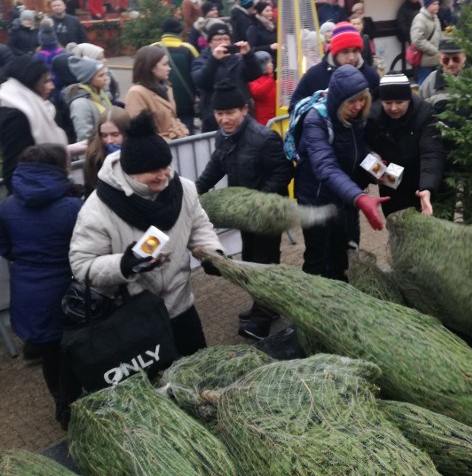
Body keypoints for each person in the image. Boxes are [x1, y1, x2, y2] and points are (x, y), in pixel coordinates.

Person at [70, 111, 224, 358]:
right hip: (135, 313)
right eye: (154, 171)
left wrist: (213, 254)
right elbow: (82, 265)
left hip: (181, 304)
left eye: (166, 166)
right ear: (131, 172)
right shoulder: (97, 208)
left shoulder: (182, 188)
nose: (164, 175)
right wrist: (124, 264)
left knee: (198, 370)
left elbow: (199, 226)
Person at [196, 80, 293, 340]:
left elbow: (285, 170)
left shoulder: (264, 138)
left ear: (244, 110)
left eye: (230, 113)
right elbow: (216, 165)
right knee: (250, 259)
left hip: (268, 212)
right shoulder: (223, 136)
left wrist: (257, 200)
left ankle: (263, 319)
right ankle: (265, 306)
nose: (224, 119)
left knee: (264, 262)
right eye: (219, 114)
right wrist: (195, 191)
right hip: (244, 213)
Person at [0, 144, 84, 428]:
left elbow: (5, 248)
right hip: (68, 291)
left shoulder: (7, 206)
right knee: (76, 348)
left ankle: (62, 403)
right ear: (61, 169)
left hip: (27, 292)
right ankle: (80, 402)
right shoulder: (73, 206)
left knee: (51, 353)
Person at [293, 65, 388, 280]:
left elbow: (362, 152)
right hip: (317, 201)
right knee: (317, 257)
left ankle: (343, 299)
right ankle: (312, 303)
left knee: (346, 252)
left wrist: (392, 178)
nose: (357, 106)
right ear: (338, 101)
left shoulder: (356, 119)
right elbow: (326, 167)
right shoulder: (315, 121)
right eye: (351, 102)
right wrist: (361, 198)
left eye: (361, 99)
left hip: (345, 200)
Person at [365, 74, 444, 216]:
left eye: (399, 102)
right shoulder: (372, 117)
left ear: (408, 99)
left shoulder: (425, 114)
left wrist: (427, 187)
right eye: (388, 103)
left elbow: (431, 152)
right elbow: (363, 152)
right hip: (391, 181)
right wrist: (378, 172)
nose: (394, 108)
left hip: (420, 177)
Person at [0, 55, 69, 193]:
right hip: (32, 194)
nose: (52, 86)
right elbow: (13, 167)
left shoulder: (27, 107)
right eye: (46, 81)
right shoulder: (17, 117)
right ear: (30, 83)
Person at [192, 21, 263, 132]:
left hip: (241, 117)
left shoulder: (238, 59)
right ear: (210, 42)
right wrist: (214, 60)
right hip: (216, 120)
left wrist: (248, 55)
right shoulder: (201, 61)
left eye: (226, 39)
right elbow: (201, 81)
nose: (223, 43)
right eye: (218, 39)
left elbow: (255, 74)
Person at [289, 21, 379, 108]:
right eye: (345, 52)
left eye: (355, 51)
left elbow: (379, 107)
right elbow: (295, 105)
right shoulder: (314, 75)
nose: (351, 57)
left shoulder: (370, 75)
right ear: (335, 53)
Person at [125, 45, 189, 140]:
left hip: (177, 144)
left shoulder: (166, 88)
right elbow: (139, 132)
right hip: (158, 149)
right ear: (150, 67)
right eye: (164, 64)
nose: (169, 68)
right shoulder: (136, 93)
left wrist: (183, 132)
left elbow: (173, 118)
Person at [160, 18, 199, 133]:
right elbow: (197, 75)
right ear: (180, 31)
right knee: (187, 134)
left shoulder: (153, 48)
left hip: (162, 104)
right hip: (186, 104)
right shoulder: (189, 49)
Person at [83, 107, 131, 197]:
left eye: (115, 134)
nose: (109, 141)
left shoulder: (138, 153)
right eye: (104, 135)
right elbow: (90, 191)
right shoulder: (94, 157)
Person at [64, 55, 113, 143]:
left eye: (104, 74)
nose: (105, 78)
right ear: (89, 79)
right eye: (100, 76)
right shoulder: (80, 104)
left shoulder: (100, 93)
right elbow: (84, 138)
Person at [419, 39, 467, 114]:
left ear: (464, 57)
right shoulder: (431, 80)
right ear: (440, 59)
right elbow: (420, 108)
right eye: (446, 60)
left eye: (456, 59)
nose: (451, 64)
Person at [410, 0, 442, 86]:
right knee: (424, 84)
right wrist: (434, 50)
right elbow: (417, 40)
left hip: (435, 59)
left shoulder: (435, 17)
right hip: (424, 60)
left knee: (434, 85)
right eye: (434, 4)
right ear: (427, 5)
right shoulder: (420, 18)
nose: (437, 6)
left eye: (437, 4)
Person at [246, 1, 279, 65]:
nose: (270, 13)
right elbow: (252, 49)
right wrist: (269, 47)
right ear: (260, 13)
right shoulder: (253, 28)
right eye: (267, 11)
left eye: (271, 10)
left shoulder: (272, 26)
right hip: (263, 64)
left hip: (275, 62)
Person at [249, 51, 276, 126]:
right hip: (264, 121)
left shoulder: (271, 79)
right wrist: (271, 79)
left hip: (275, 118)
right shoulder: (253, 80)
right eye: (269, 63)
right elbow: (259, 92)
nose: (271, 65)